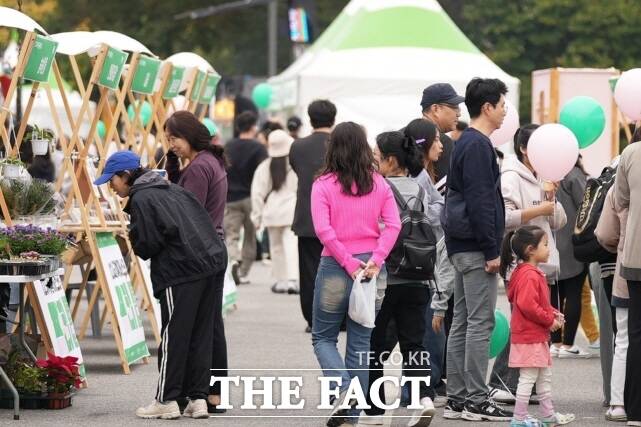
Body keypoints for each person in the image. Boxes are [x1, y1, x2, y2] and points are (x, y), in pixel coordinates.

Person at [94, 151, 226, 420]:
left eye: (113, 180)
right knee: (200, 334)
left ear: (126, 175)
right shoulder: (169, 187)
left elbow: (148, 245)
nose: (112, 187)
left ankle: (167, 398)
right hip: (211, 263)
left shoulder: (142, 197)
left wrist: (131, 234)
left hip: (181, 270)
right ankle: (198, 398)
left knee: (174, 335)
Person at [311, 122, 401, 427]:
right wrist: (375, 260)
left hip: (337, 267)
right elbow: (394, 225)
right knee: (361, 342)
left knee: (323, 337)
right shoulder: (379, 184)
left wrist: (349, 263)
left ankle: (343, 389)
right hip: (371, 270)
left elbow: (324, 230)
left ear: (332, 148)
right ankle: (351, 414)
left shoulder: (322, 185)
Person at [442, 77, 512, 421]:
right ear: (487, 107)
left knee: (463, 322)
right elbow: (481, 201)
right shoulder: (479, 145)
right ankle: (475, 398)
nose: (505, 112)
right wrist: (491, 249)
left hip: (460, 244)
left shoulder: (463, 143)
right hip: (475, 246)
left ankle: (456, 396)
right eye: (502, 105)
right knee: (479, 323)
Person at [361, 131, 437, 426]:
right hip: (417, 278)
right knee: (414, 344)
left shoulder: (376, 188)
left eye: (377, 157)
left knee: (376, 345)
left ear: (390, 160)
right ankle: (424, 398)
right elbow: (435, 227)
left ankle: (375, 409)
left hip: (385, 279)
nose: (374, 163)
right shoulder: (421, 187)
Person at [488, 124, 567, 402]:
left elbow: (559, 222)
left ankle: (524, 385)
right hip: (519, 263)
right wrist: (539, 209)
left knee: (535, 326)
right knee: (524, 324)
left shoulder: (545, 177)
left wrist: (550, 201)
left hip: (542, 263)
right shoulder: (511, 175)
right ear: (524, 149)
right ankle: (501, 382)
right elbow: (505, 217)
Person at [163, 110, 229, 414]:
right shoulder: (206, 162)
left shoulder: (201, 167)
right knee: (210, 324)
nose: (170, 144)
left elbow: (188, 214)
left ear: (188, 135)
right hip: (213, 249)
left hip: (201, 253)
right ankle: (213, 395)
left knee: (203, 327)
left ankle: (209, 393)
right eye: (167, 138)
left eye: (174, 137)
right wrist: (175, 171)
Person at [499, 225, 576, 426]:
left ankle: (547, 415)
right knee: (529, 377)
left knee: (543, 376)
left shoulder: (528, 272)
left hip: (534, 336)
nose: (549, 248)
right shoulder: (530, 275)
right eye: (545, 244)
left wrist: (552, 312)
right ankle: (519, 418)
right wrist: (549, 320)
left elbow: (535, 303)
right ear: (530, 250)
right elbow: (528, 305)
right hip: (530, 337)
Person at [404, 118, 452, 404]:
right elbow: (430, 217)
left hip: (424, 261)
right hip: (420, 263)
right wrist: (443, 207)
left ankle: (420, 387)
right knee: (425, 331)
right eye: (436, 140)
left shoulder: (424, 174)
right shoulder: (417, 178)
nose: (441, 145)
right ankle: (419, 389)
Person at [289, 99, 336, 333]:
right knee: (337, 268)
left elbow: (298, 170)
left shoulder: (297, 146)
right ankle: (337, 316)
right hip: (336, 218)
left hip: (307, 216)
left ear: (310, 118)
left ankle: (313, 319)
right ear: (333, 118)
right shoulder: (340, 144)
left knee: (309, 271)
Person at [250, 129, 299, 294]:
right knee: (291, 245)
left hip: (271, 212)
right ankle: (293, 280)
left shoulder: (264, 167)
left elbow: (257, 194)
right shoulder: (295, 165)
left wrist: (256, 217)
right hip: (291, 211)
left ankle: (281, 281)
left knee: (276, 247)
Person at [595, 186, 629, 422]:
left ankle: (619, 403)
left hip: (625, 269)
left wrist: (622, 244)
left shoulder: (617, 188)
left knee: (624, 338)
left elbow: (605, 234)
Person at [614, 139, 641, 426]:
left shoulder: (631, 152)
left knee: (636, 333)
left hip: (635, 254)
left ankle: (635, 409)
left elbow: (620, 198)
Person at [224, 111, 268, 284]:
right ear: (253, 127)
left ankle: (233, 259)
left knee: (231, 235)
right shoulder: (258, 148)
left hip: (231, 197)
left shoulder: (228, 146)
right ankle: (243, 272)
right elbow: (264, 173)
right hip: (251, 197)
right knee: (250, 235)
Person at [554, 157, 590, 357]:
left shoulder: (547, 172)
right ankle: (567, 345)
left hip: (550, 242)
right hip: (572, 241)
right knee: (574, 292)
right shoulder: (573, 175)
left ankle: (555, 342)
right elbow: (586, 208)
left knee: (555, 293)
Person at [419, 82, 465, 183]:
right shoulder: (442, 141)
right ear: (435, 109)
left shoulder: (401, 134)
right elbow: (446, 191)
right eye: (455, 107)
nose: (459, 114)